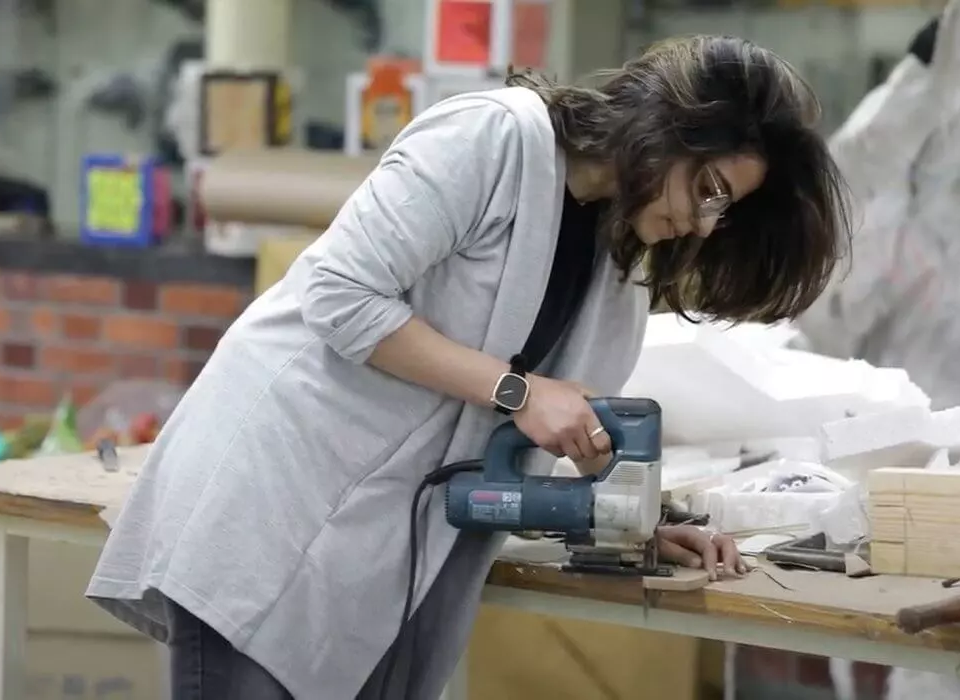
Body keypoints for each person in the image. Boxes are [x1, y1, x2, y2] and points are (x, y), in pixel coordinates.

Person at [86, 34, 850, 700]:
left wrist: (640, 527)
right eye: (710, 189)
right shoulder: (492, 138)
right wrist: (516, 391)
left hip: (394, 548)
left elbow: (540, 445)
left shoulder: (618, 258)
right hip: (273, 504)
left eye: (725, 212)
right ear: (669, 128)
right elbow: (340, 292)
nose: (704, 221)